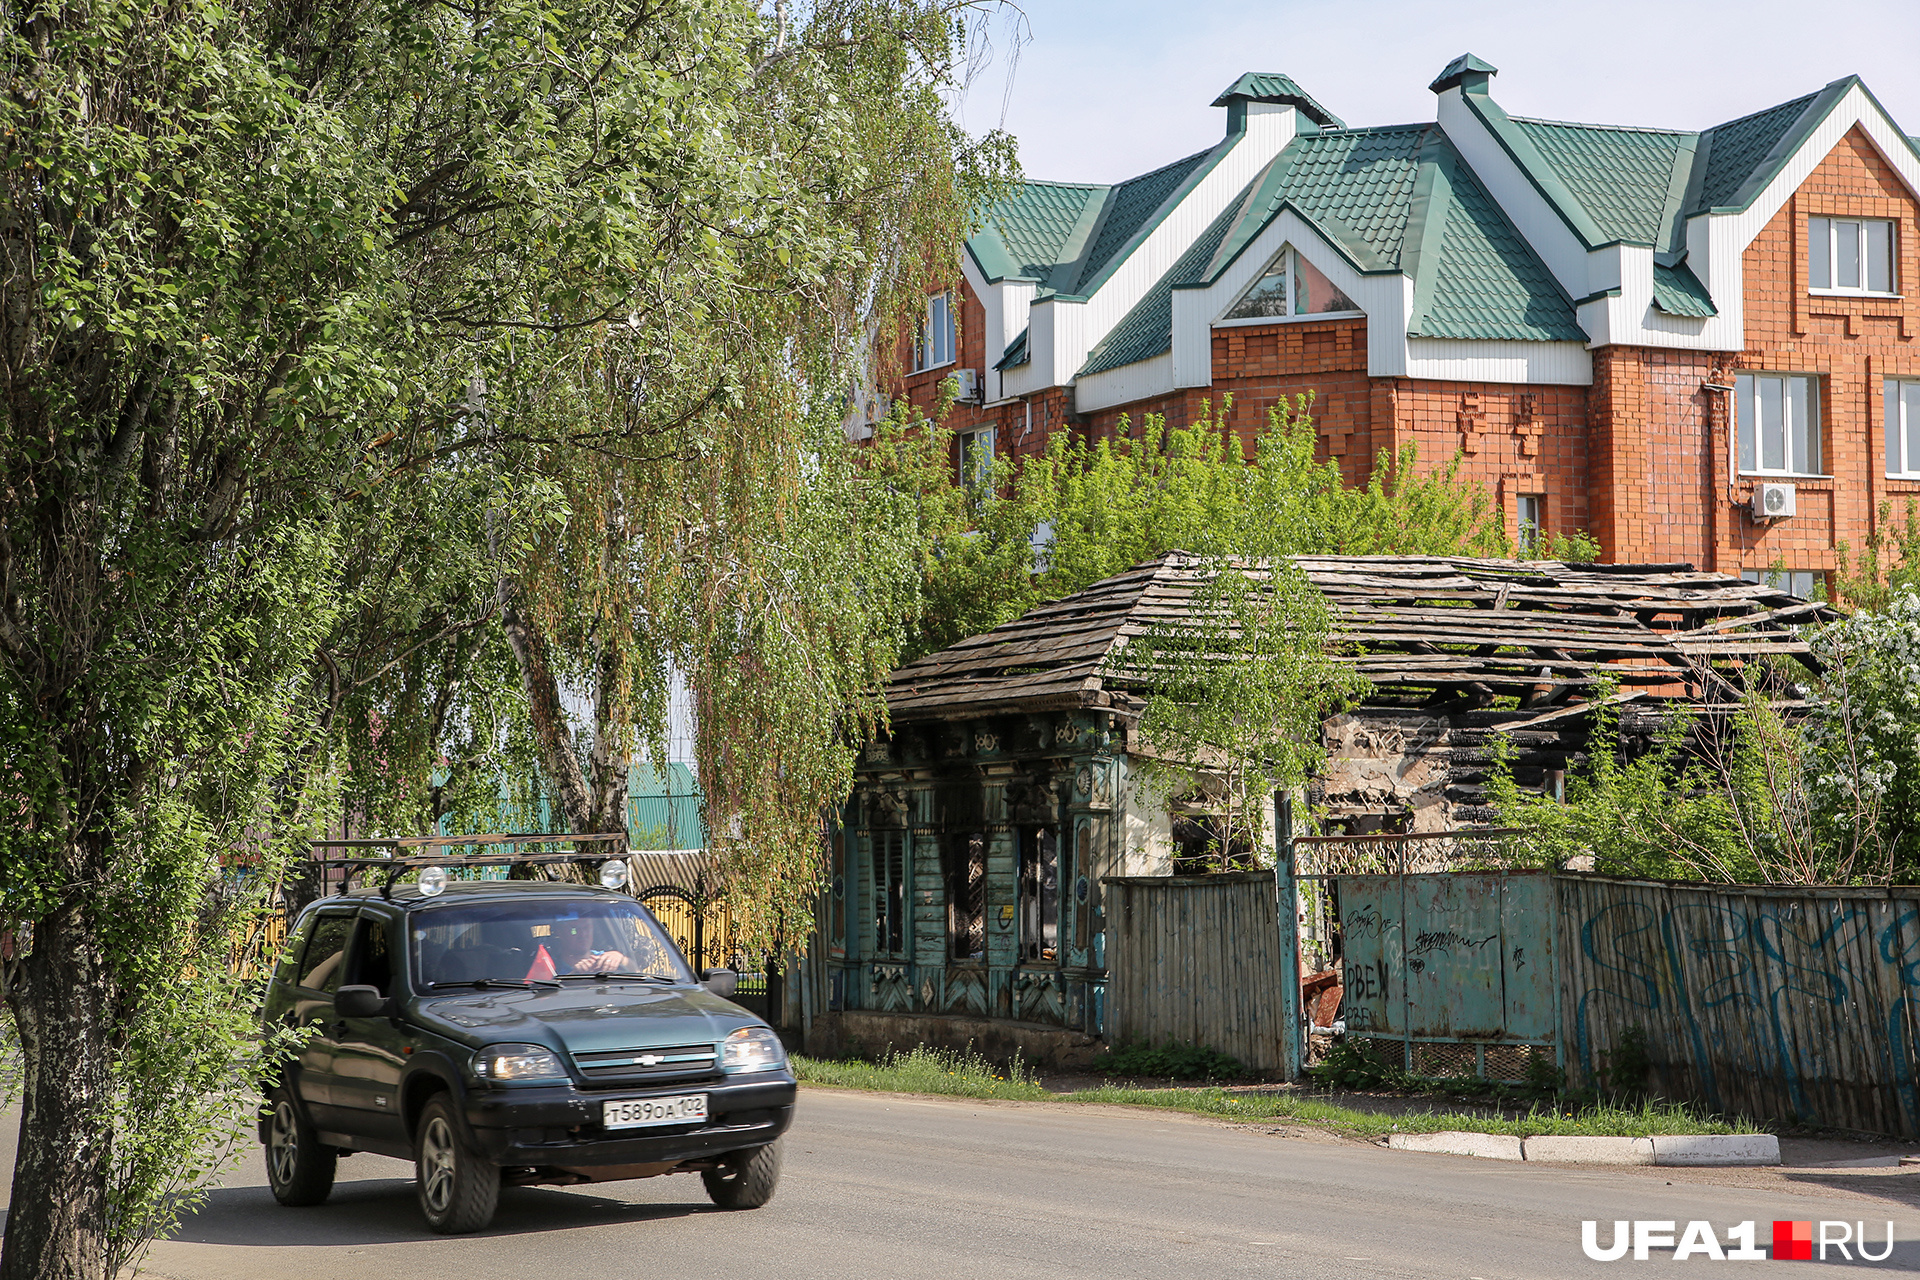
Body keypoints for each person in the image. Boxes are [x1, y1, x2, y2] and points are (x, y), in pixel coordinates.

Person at [530, 915, 631, 979]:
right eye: (574, 930)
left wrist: (621, 958)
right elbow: (542, 997)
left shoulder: (603, 958)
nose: (583, 934)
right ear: (559, 933)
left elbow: (638, 973)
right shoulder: (550, 966)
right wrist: (573, 975)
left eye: (586, 928)